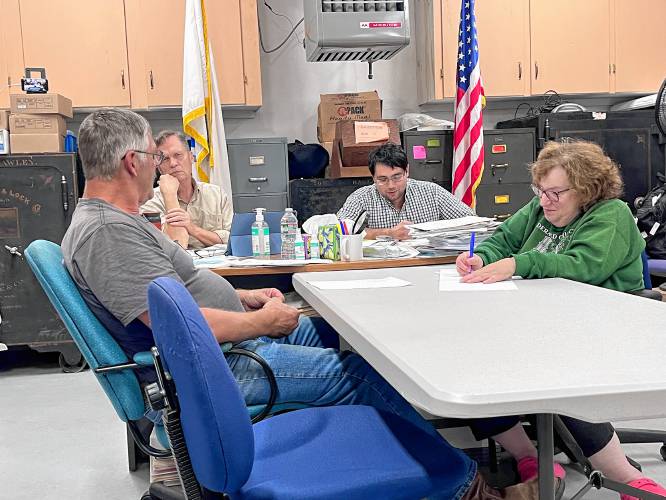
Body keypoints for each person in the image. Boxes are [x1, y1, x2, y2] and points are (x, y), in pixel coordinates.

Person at [62, 108, 534, 500]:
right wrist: (263, 322)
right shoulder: (108, 232)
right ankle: (462, 486)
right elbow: (178, 330)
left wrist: (244, 297)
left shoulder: (116, 221)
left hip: (227, 341)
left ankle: (408, 454)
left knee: (348, 335)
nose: (161, 168)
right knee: (358, 373)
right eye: (154, 158)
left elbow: (178, 289)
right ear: (131, 161)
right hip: (220, 364)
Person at [456, 139, 666, 500]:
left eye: (556, 193)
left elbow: (581, 267)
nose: (545, 201)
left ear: (586, 190)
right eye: (540, 191)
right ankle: (531, 461)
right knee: (466, 361)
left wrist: (518, 264)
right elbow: (503, 240)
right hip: (546, 323)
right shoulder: (542, 209)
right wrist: (482, 258)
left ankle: (630, 481)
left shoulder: (609, 214)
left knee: (556, 374)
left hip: (605, 326)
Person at [337, 142, 474, 240]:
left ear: (407, 171)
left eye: (397, 177)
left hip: (425, 265)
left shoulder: (432, 192)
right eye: (382, 179)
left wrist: (433, 232)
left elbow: (472, 222)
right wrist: (388, 233)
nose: (391, 185)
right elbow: (337, 232)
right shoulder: (361, 197)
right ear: (373, 177)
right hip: (379, 269)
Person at [140, 130, 232, 249]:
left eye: (178, 155)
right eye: (165, 159)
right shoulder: (149, 201)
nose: (173, 164)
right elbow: (165, 245)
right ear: (158, 166)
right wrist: (170, 195)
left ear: (191, 157)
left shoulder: (216, 194)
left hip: (220, 266)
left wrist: (192, 229)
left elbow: (232, 238)